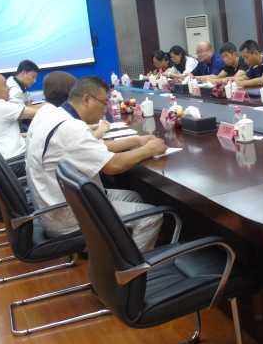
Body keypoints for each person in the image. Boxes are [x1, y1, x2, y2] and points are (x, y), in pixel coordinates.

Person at [26, 76, 167, 251]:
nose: (106, 109)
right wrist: (149, 150)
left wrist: (136, 141)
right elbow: (113, 166)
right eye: (104, 102)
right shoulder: (71, 128)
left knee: (134, 197)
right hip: (67, 218)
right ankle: (131, 265)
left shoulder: (53, 114)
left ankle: (119, 249)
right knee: (151, 217)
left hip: (56, 205)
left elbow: (95, 147)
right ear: (87, 99)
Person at [0, 73, 39, 161]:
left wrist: (25, 135)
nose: (9, 88)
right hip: (17, 159)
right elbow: (38, 113)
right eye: (5, 85)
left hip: (6, 157)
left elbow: (0, 134)